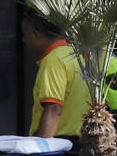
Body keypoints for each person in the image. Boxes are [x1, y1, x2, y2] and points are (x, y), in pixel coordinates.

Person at [21, 12, 88, 141]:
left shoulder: (53, 59)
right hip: (81, 143)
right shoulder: (77, 56)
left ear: (36, 34)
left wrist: (42, 151)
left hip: (58, 145)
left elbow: (53, 108)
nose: (24, 40)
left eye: (25, 34)